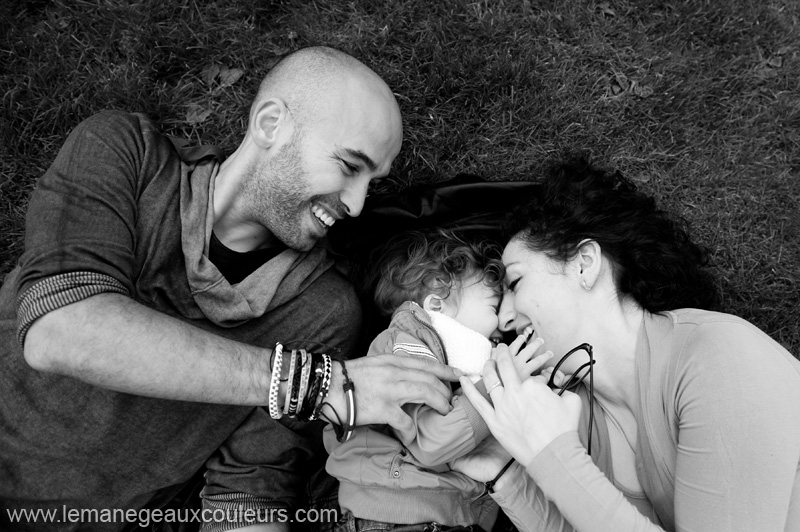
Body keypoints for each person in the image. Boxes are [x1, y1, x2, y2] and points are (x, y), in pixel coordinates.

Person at [0, 46, 464, 532]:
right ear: (270, 124)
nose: (356, 203)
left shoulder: (322, 311)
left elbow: (246, 495)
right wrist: (316, 385)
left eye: (372, 182)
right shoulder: (123, 153)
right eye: (350, 166)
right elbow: (62, 327)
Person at [454, 155, 800, 531]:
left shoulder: (719, 355)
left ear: (585, 263)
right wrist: (506, 474)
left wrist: (552, 453)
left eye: (515, 283)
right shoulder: (580, 415)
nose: (503, 320)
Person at [325, 229, 552, 532]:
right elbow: (431, 442)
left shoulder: (443, 358)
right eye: (493, 307)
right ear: (436, 303)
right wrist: (499, 385)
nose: (501, 325)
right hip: (394, 514)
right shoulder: (406, 344)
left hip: (441, 514)